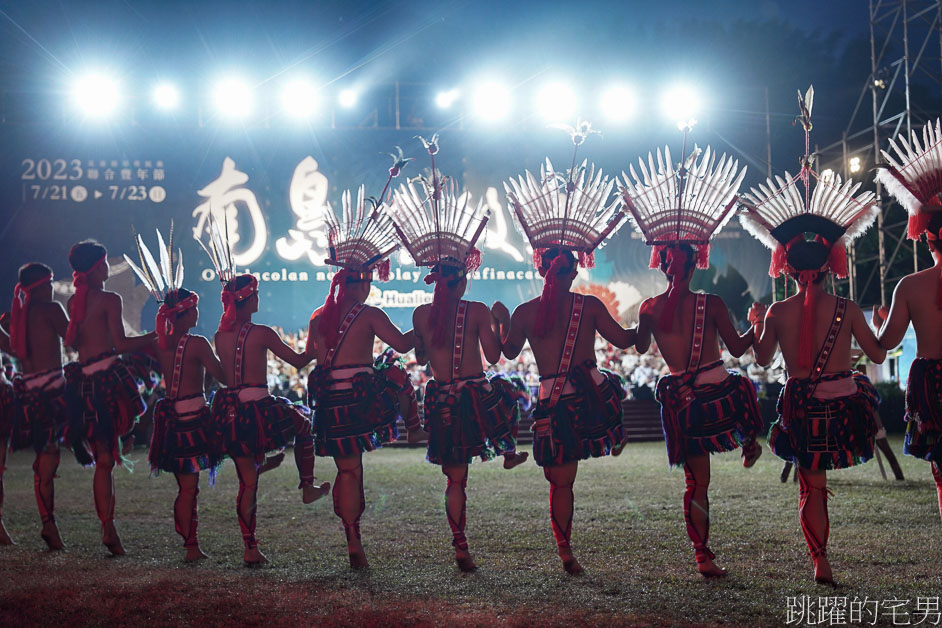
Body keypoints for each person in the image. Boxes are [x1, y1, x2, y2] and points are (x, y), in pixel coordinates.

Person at [742, 93, 885, 584]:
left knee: (812, 487)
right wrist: (884, 321)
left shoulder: (780, 311)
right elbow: (880, 352)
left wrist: (758, 322)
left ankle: (820, 557)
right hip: (844, 407)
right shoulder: (847, 309)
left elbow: (761, 361)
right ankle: (822, 556)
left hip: (802, 407)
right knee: (816, 484)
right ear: (830, 265)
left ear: (789, 266)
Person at [622, 141, 762, 578]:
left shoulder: (647, 308)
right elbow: (739, 350)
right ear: (696, 264)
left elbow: (641, 348)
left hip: (684, 401)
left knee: (696, 481)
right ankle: (749, 439)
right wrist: (757, 323)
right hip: (719, 394)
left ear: (664, 265)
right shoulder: (713, 303)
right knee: (743, 385)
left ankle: (702, 553)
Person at [387, 140, 528, 571]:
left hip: (443, 398)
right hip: (474, 397)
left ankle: (460, 544)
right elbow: (497, 355)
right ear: (463, 280)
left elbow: (420, 354)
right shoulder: (479, 310)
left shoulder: (422, 313)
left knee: (456, 478)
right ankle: (505, 447)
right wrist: (503, 323)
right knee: (504, 389)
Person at [499, 130, 633, 574]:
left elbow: (505, 351)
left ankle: (564, 548)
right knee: (565, 482)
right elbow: (628, 342)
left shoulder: (524, 311)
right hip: (585, 399)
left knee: (559, 481)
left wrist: (500, 320)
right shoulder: (590, 306)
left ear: (541, 264)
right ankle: (565, 546)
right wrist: (649, 320)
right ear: (573, 266)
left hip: (552, 400)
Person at [307, 183, 420, 569]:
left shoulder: (319, 318)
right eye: (368, 279)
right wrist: (427, 320)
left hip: (328, 403)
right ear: (357, 281)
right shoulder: (369, 314)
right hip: (356, 402)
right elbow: (403, 346)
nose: (371, 285)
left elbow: (308, 358)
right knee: (352, 469)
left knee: (347, 468)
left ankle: (350, 530)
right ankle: (354, 538)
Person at [210, 272, 329, 566]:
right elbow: (299, 361)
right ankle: (308, 486)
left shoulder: (220, 335)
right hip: (260, 407)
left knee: (247, 484)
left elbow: (222, 376)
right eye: (257, 294)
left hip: (231, 411)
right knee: (303, 424)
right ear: (248, 300)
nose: (260, 299)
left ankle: (250, 547)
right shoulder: (262, 333)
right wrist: (316, 339)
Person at [63, 240, 157, 556]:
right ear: (97, 268)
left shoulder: (74, 303)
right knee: (106, 460)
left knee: (104, 462)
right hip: (106, 385)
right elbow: (120, 344)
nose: (108, 267)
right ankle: (108, 529)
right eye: (105, 262)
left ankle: (108, 527)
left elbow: (76, 346)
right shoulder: (109, 299)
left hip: (83, 384)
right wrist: (158, 335)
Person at [873, 125, 942, 522]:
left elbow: (885, 345)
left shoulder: (911, 286)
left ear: (927, 238)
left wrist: (874, 326)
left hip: (934, 386)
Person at [0, 264, 70, 549]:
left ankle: (45, 524)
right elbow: (74, 337)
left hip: (25, 396)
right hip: (51, 394)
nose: (53, 287)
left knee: (21, 465)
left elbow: (13, 350)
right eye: (51, 282)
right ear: (42, 286)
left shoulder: (16, 317)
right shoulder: (51, 309)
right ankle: (48, 524)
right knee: (47, 462)